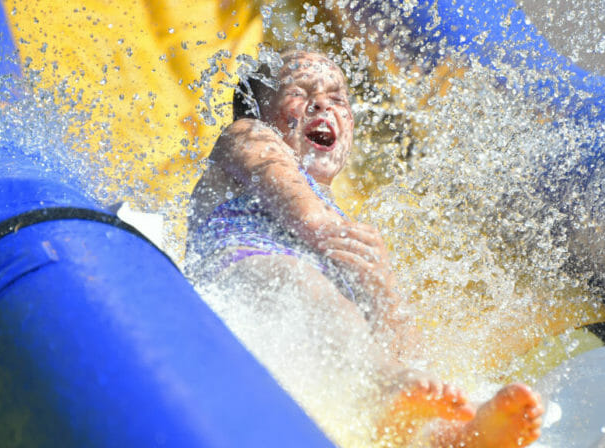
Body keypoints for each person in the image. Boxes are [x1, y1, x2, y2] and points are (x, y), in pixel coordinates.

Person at [186, 49, 543, 447]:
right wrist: (320, 226)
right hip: (237, 281)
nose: (322, 103)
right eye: (299, 92)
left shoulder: (342, 222)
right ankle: (391, 392)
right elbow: (273, 170)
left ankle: (446, 432)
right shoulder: (246, 137)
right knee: (304, 283)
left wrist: (382, 288)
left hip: (313, 343)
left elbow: (406, 350)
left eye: (338, 98)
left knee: (370, 327)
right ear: (258, 109)